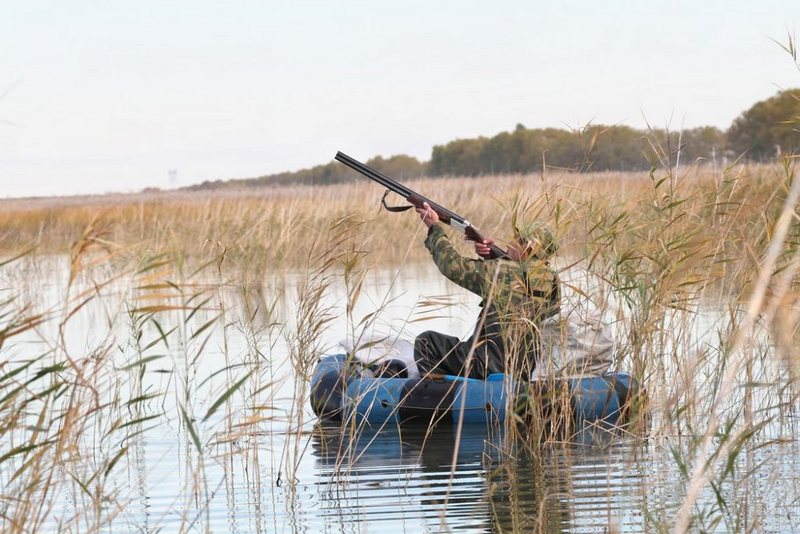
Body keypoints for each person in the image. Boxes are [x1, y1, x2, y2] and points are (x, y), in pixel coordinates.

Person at [413, 202, 560, 380]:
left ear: (527, 248)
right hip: (524, 369)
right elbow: (519, 284)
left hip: (487, 366)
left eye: (516, 239)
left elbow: (451, 266)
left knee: (427, 342)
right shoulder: (552, 281)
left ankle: (439, 398)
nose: (510, 243)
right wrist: (491, 257)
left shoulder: (500, 271)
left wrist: (434, 228)